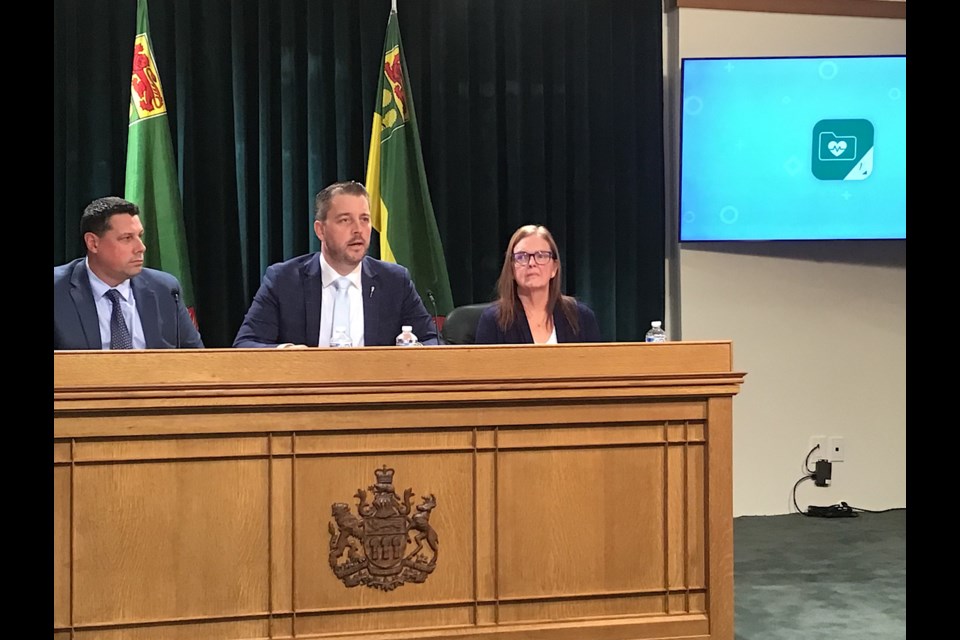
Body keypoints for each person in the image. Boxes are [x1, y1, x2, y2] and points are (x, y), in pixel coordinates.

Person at [233, 180, 438, 348]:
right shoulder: (284, 280)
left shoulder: (394, 281)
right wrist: (287, 354)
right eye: (345, 220)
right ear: (320, 230)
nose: (358, 229)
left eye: (364, 219)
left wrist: (414, 351)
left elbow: (433, 342)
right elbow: (246, 344)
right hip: (308, 394)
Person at [54, 196, 204, 350]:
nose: (141, 247)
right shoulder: (58, 290)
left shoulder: (164, 290)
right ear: (93, 243)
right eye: (127, 238)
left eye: (139, 236)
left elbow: (197, 360)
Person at [474, 224, 601, 344]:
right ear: (511, 269)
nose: (532, 263)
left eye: (541, 256)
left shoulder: (581, 318)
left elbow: (598, 366)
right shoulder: (493, 321)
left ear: (554, 268)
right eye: (522, 257)